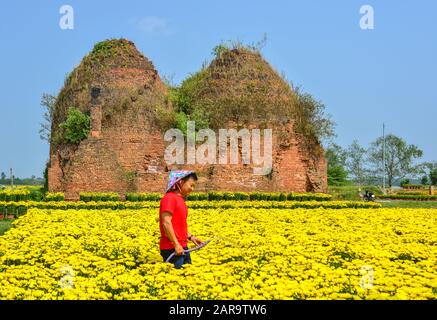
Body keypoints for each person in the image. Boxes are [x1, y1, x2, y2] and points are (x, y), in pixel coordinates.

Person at [159, 170, 203, 269]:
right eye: (191, 185)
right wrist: (176, 244)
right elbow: (166, 222)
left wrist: (191, 237)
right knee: (176, 279)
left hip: (181, 246)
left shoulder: (180, 200)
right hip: (172, 248)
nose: (192, 189)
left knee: (188, 276)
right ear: (181, 182)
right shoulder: (169, 198)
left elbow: (179, 225)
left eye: (194, 186)